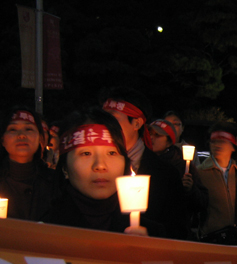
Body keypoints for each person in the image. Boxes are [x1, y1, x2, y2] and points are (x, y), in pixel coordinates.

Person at [43, 108, 165, 237]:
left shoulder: (152, 234)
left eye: (112, 153)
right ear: (65, 167)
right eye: (86, 153)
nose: (100, 165)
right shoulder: (43, 230)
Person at [100, 87, 188, 239]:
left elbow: (178, 232)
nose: (104, 125)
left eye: (112, 118)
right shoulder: (94, 166)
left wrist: (149, 234)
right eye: (101, 118)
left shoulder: (166, 175)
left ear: (136, 123)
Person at [149, 119, 208, 238]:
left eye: (157, 135)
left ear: (169, 142)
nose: (151, 138)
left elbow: (202, 202)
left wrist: (190, 190)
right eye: (149, 133)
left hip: (173, 232)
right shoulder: (143, 161)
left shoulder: (182, 165)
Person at [0, 107, 56, 220]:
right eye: (12, 129)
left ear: (40, 138)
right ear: (3, 140)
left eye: (28, 129)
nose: (21, 135)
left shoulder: (55, 183)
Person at [198, 122, 237, 245]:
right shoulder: (200, 173)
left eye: (223, 141)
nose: (217, 145)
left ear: (233, 146)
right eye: (214, 141)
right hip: (210, 239)